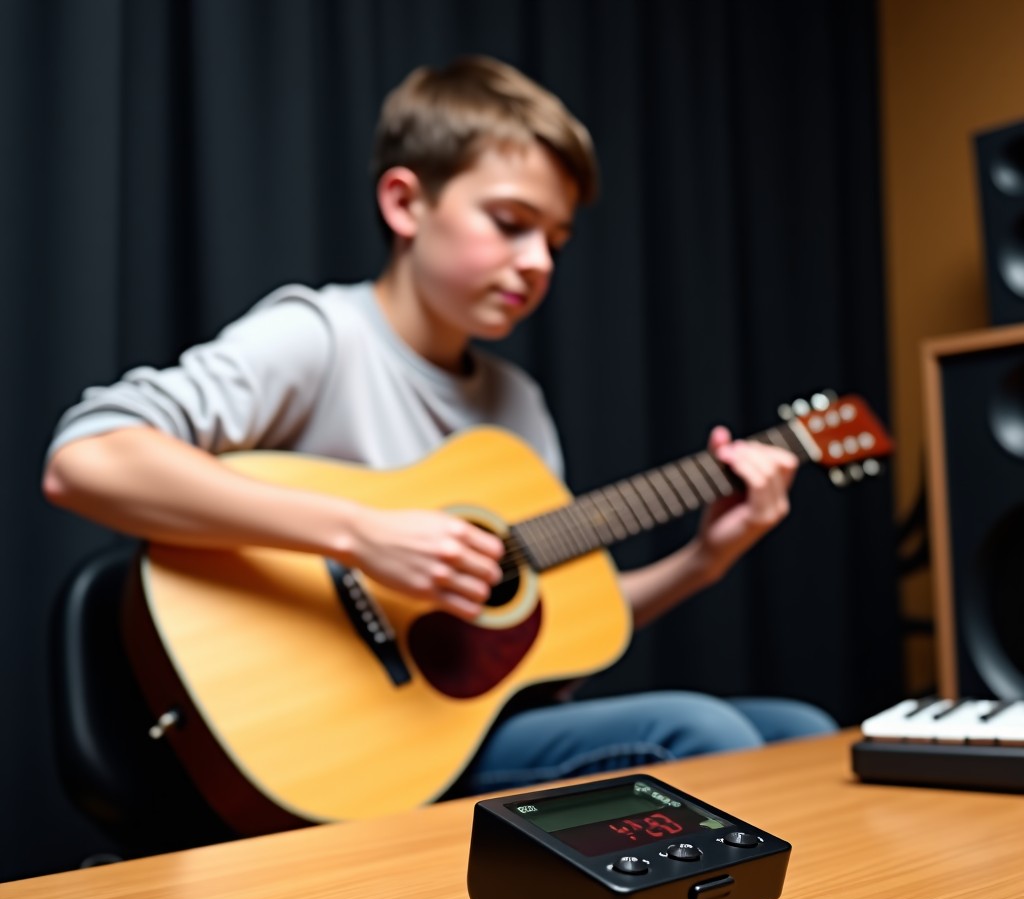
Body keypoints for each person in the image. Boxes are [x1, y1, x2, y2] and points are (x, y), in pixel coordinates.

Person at [42, 55, 836, 798]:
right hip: (339, 739)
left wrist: (703, 560)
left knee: (800, 732)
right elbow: (86, 458)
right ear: (403, 203)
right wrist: (360, 533)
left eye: (555, 241)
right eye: (511, 221)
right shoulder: (320, 337)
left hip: (466, 724)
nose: (539, 263)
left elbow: (554, 627)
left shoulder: (514, 405)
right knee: (699, 732)